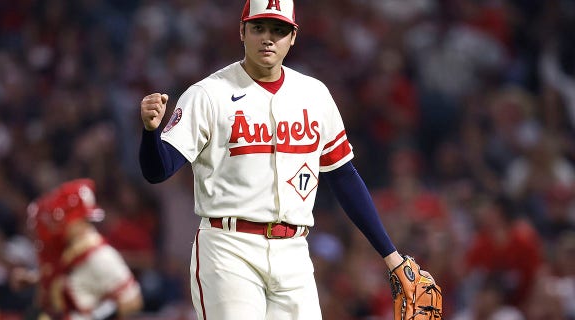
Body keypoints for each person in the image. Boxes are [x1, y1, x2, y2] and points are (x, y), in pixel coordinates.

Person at [138, 0, 435, 319]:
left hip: (293, 253)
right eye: (259, 27)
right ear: (242, 31)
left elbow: (344, 177)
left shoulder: (314, 94)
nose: (268, 37)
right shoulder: (208, 94)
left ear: (293, 36)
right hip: (228, 248)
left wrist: (392, 257)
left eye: (279, 30)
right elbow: (159, 170)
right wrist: (151, 133)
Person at [11, 178, 143, 319]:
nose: (58, 225)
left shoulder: (101, 255)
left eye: (65, 218)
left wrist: (97, 316)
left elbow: (133, 300)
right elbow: (70, 275)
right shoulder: (70, 249)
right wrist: (32, 279)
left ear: (79, 220)